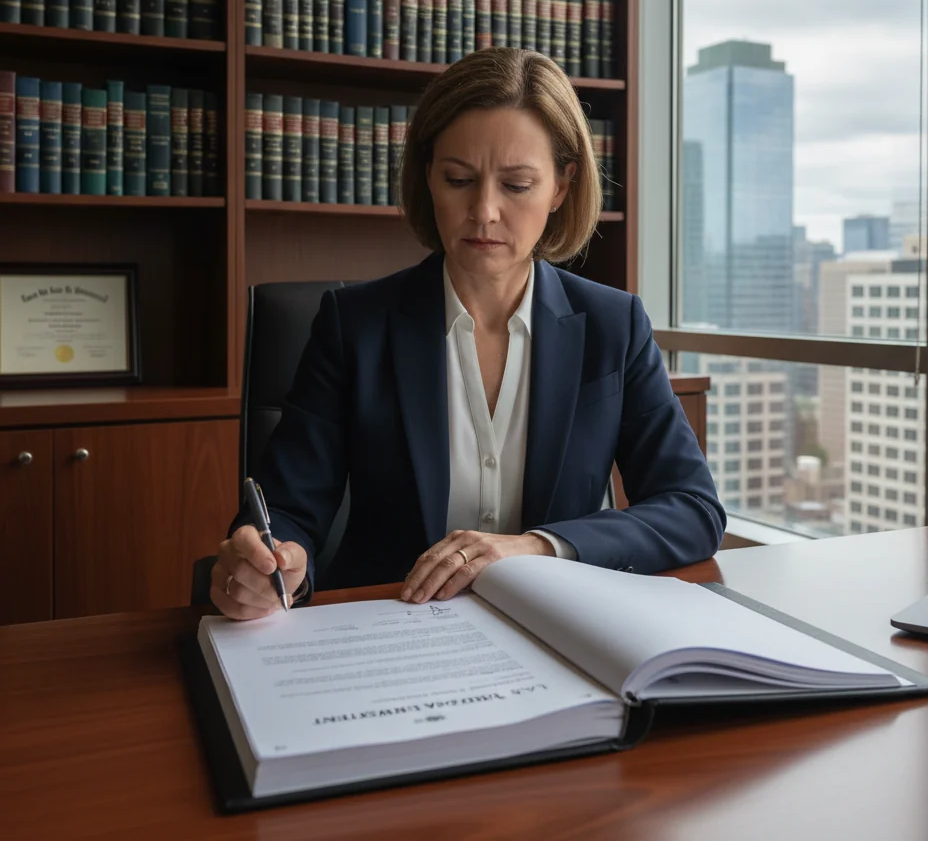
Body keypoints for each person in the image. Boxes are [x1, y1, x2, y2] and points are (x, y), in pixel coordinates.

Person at [211, 47, 725, 620]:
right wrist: (273, 561)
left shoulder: (614, 326)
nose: (483, 211)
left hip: (557, 629)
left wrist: (535, 547)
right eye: (459, 179)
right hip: (387, 627)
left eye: (517, 185)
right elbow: (285, 509)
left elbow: (691, 508)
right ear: (428, 176)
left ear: (561, 186)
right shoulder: (353, 323)